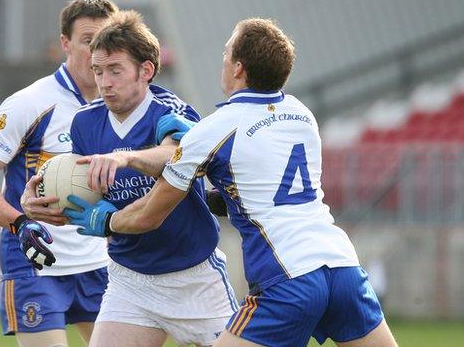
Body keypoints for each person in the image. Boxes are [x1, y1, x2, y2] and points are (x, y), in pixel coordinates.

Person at [68, 18, 399, 347]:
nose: (222, 60)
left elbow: (148, 215)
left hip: (287, 277)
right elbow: (257, 193)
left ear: (239, 68)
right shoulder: (301, 115)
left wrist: (108, 221)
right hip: (342, 266)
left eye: (226, 53)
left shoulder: (215, 129)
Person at [49, 10, 238, 347]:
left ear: (146, 70)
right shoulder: (85, 124)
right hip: (130, 281)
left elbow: (175, 156)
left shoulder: (172, 112)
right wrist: (44, 197)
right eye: (97, 71)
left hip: (194, 278)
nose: (104, 82)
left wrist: (125, 157)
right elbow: (90, 192)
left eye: (115, 70)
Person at [0, 0, 118, 346]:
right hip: (36, 262)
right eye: (88, 40)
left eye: (105, 40)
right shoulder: (30, 103)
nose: (97, 51)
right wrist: (19, 223)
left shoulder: (118, 106)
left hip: (99, 264)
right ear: (64, 43)